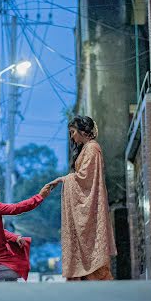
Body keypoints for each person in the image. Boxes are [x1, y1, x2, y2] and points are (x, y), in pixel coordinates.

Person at [49, 115, 116, 281]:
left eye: (73, 132)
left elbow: (85, 177)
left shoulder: (92, 148)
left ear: (83, 131)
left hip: (90, 203)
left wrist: (64, 179)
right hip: (87, 201)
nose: (72, 136)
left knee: (91, 246)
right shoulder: (87, 148)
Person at [0, 174, 52, 281]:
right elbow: (15, 208)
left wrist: (14, 237)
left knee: (16, 264)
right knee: (18, 268)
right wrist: (40, 196)